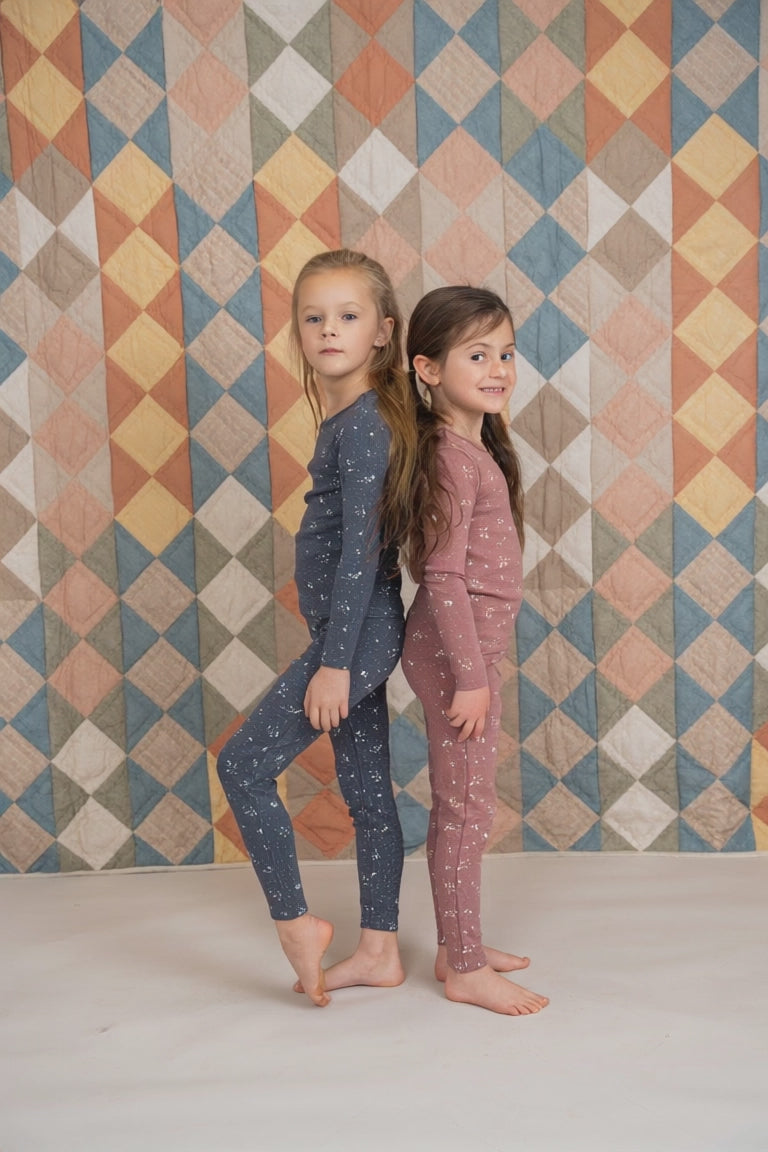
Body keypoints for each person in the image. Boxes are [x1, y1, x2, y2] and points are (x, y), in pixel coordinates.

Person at [217, 249, 416, 1007]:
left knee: (242, 765)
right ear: (298, 333)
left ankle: (297, 925)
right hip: (349, 632)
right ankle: (380, 952)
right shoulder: (348, 418)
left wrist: (336, 663)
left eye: (348, 316)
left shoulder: (365, 424)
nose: (329, 330)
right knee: (366, 788)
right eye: (314, 317)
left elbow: (363, 550)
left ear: (382, 332)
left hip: (355, 637)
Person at [401, 286, 549, 1016]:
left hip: (466, 657)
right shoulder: (447, 456)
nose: (499, 369)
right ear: (428, 369)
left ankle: (457, 943)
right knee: (467, 808)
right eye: (478, 355)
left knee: (461, 805)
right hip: (456, 661)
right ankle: (464, 968)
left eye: (506, 354)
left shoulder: (472, 448)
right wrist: (470, 677)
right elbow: (442, 574)